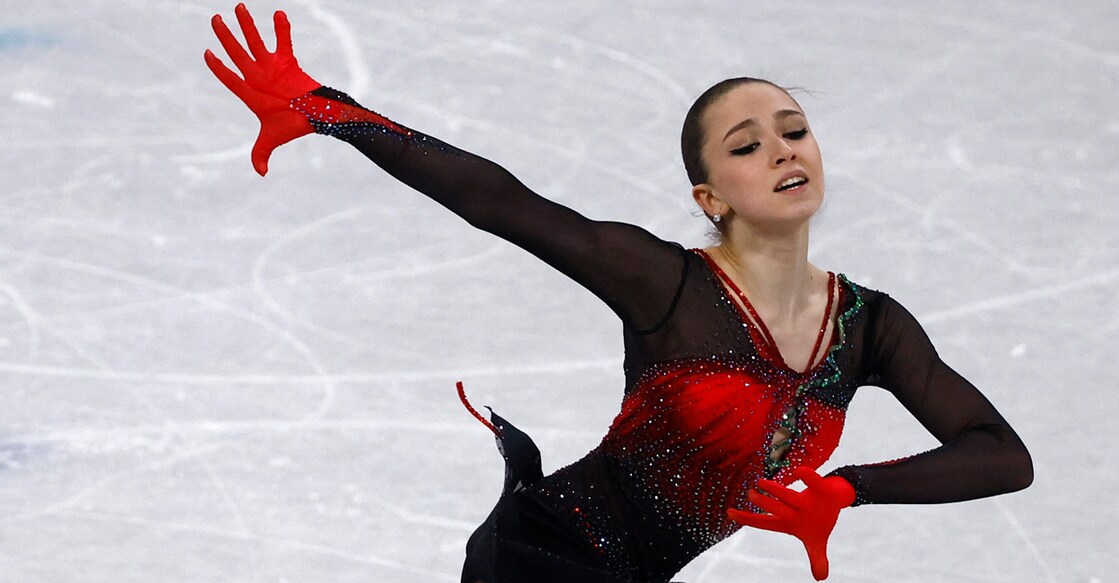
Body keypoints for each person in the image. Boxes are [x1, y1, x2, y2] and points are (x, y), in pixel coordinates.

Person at [204, 5, 1033, 582]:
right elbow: (503, 203)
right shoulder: (667, 283)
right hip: (543, 556)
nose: (783, 151)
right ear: (709, 198)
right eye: (747, 146)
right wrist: (325, 110)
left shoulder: (869, 327)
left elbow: (1001, 452)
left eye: (794, 130)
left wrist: (850, 486)